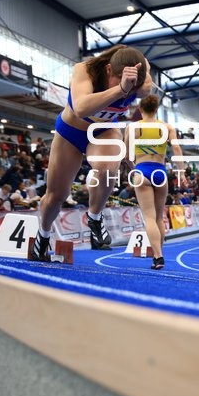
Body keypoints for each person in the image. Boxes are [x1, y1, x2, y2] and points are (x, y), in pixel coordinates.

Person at [30, 45, 153, 262]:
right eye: (121, 80)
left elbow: (146, 89)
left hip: (103, 131)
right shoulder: (84, 70)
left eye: (132, 84)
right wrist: (121, 90)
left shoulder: (139, 77)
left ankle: (95, 217)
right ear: (108, 70)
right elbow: (81, 107)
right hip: (71, 133)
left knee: (107, 169)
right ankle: (44, 233)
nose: (129, 87)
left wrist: (137, 86)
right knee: (56, 196)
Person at [124, 94, 181, 270]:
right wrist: (181, 171)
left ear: (140, 109)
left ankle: (158, 256)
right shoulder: (167, 127)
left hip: (142, 170)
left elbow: (126, 155)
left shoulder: (132, 127)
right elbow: (177, 148)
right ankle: (158, 254)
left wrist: (134, 166)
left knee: (148, 217)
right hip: (160, 172)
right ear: (156, 110)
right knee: (158, 217)